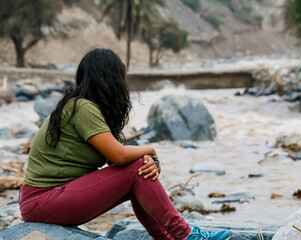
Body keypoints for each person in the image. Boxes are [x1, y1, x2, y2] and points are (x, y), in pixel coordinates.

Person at [19, 48, 231, 240]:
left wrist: (145, 161)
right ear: (111, 79)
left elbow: (116, 160)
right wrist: (150, 151)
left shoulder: (86, 107)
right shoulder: (81, 108)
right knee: (138, 169)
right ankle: (184, 234)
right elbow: (119, 156)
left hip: (51, 198)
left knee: (137, 176)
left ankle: (167, 237)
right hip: (42, 200)